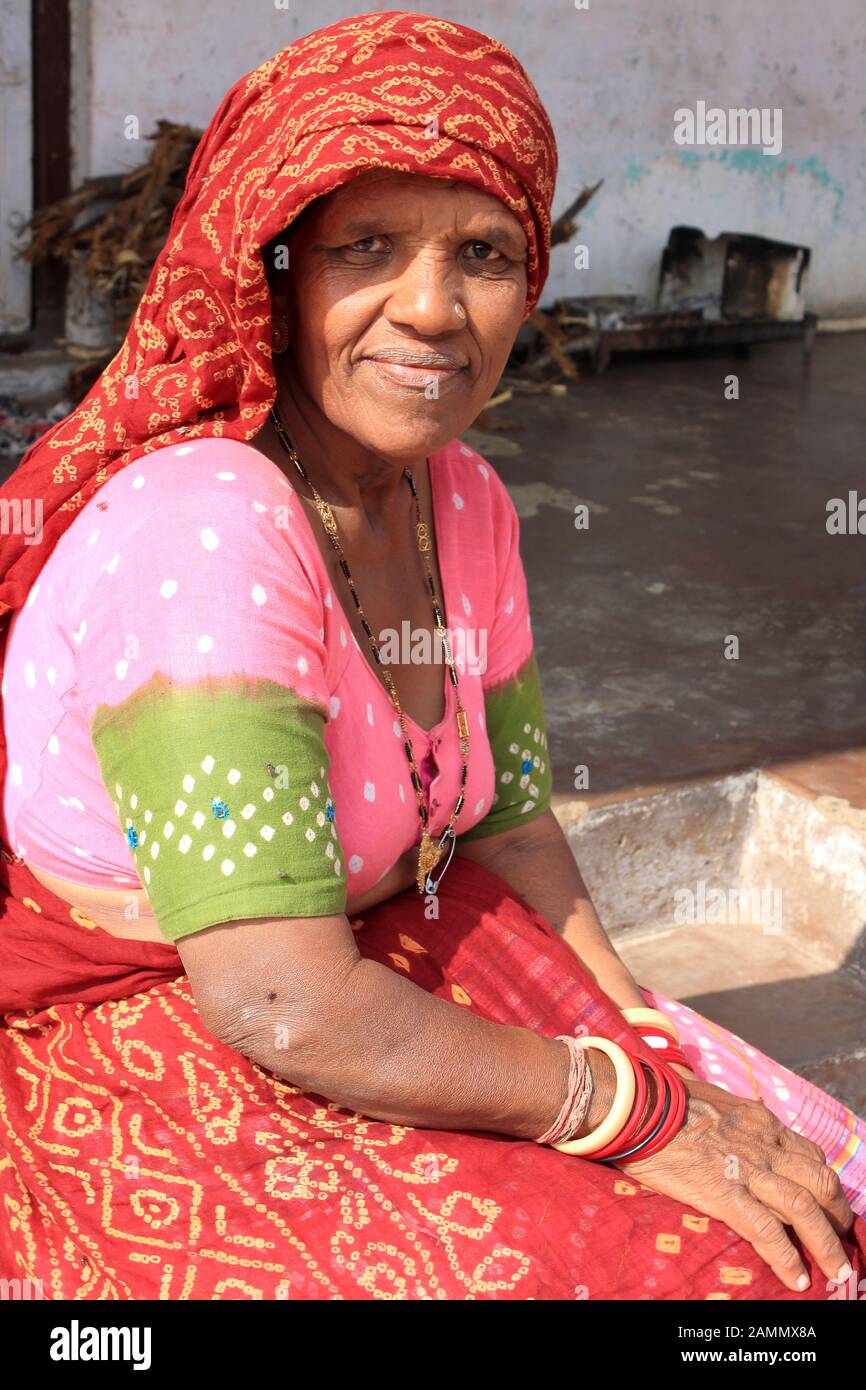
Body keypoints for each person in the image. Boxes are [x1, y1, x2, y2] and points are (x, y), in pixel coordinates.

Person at [0, 10, 863, 1301]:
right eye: (367, 248)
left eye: (482, 253)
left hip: (384, 942)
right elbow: (280, 1004)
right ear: (276, 273)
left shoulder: (459, 500)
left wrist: (638, 1030)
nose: (431, 309)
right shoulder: (207, 529)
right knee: (711, 1280)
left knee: (819, 1196)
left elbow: (509, 822)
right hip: (162, 1008)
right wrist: (626, 1109)